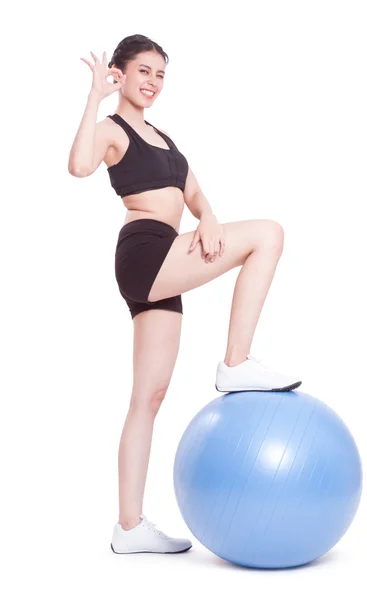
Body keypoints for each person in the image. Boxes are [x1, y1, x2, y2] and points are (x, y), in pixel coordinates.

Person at [68, 34, 302, 555]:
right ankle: (236, 362)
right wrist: (94, 96)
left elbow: (195, 195)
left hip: (168, 257)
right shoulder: (112, 128)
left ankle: (129, 529)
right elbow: (80, 166)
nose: (151, 83)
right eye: (142, 72)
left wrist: (211, 218)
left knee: (148, 397)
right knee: (268, 234)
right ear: (120, 75)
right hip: (146, 250)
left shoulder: (165, 138)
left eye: (160, 75)